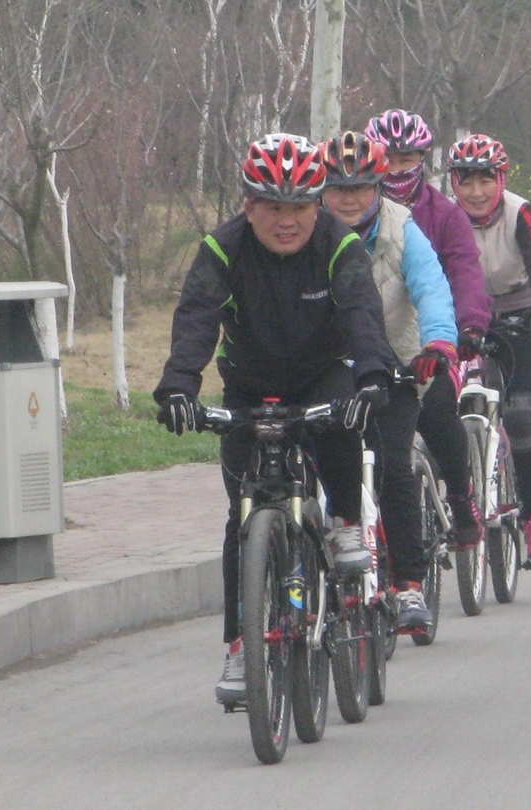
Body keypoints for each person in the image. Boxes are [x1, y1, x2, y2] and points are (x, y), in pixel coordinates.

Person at [154, 133, 397, 704]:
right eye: (272, 207)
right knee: (242, 515)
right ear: (249, 206)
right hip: (251, 382)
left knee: (342, 423)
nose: (286, 221)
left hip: (324, 373)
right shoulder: (222, 249)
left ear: (317, 205)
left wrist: (373, 379)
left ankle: (341, 526)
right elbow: (195, 320)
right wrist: (178, 389)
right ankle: (241, 647)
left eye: (299, 207)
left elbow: (364, 316)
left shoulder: (339, 247)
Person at [319, 130, 458, 628]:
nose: (350, 198)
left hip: (398, 362)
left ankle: (409, 585)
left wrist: (438, 344)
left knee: (394, 463)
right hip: (331, 370)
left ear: (380, 188)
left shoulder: (403, 229)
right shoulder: (307, 233)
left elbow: (433, 289)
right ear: (320, 192)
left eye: (361, 187)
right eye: (338, 188)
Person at [365, 109, 494, 548]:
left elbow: (463, 273)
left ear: (423, 158)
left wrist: (469, 327)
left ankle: (461, 499)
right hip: (367, 340)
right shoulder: (357, 207)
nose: (398, 170)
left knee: (438, 408)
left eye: (408, 159)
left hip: (431, 339)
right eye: (390, 159)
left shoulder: (445, 215)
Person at [447, 133, 531, 567]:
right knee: (447, 411)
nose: (476, 192)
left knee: (521, 413)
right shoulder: (443, 215)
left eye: (485, 180)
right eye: (465, 181)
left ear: (501, 178)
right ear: (453, 183)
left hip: (518, 313)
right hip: (465, 315)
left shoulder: (520, 212)